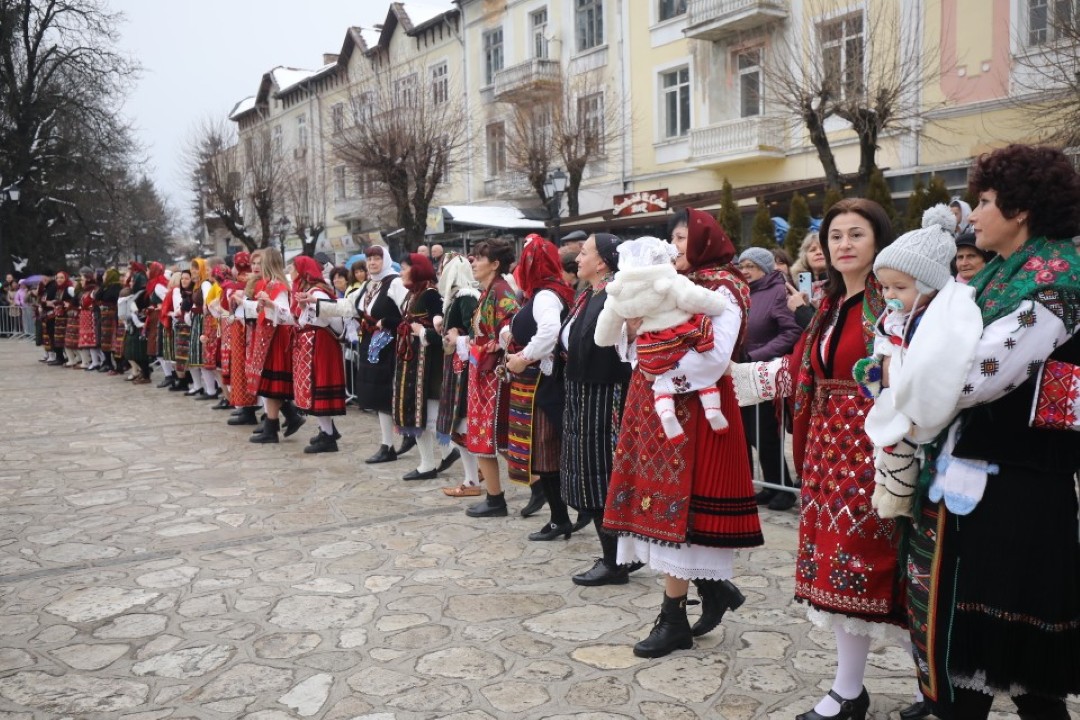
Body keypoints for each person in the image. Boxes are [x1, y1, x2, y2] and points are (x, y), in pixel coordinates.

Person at [907, 144, 1080, 720]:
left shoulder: (1053, 281)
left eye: (982, 200)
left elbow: (977, 375)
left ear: (1022, 208)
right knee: (983, 653)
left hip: (1020, 488)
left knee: (1018, 660)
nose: (972, 214)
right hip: (986, 478)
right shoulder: (1005, 272)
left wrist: (902, 379)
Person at [731, 199, 905, 720]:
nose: (844, 245)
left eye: (856, 234)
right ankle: (850, 688)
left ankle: (923, 686)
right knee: (839, 566)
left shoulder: (892, 303)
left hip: (877, 449)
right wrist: (733, 378)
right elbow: (806, 368)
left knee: (885, 564)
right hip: (829, 453)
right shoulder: (829, 305)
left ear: (878, 242)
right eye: (835, 236)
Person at [604, 208, 761, 659]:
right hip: (655, 406)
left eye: (681, 239)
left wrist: (660, 375)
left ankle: (674, 617)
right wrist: (636, 334)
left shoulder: (726, 288)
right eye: (671, 239)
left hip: (697, 412)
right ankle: (711, 591)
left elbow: (714, 358)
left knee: (684, 515)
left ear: (704, 241)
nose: (674, 249)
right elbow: (627, 350)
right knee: (662, 511)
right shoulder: (660, 282)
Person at [561, 233, 636, 585]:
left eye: (585, 252)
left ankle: (615, 560)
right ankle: (617, 555)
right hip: (582, 390)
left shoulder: (615, 294)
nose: (578, 257)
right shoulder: (586, 294)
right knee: (588, 476)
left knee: (600, 476)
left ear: (603, 261)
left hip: (604, 394)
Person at [502, 234, 576, 540]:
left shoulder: (546, 295)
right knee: (548, 454)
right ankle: (565, 516)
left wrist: (523, 356)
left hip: (541, 383)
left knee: (545, 455)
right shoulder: (551, 291)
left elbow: (549, 331)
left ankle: (562, 518)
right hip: (543, 381)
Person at [315, 245, 407, 462]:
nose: (372, 263)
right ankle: (388, 444)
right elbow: (349, 306)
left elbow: (408, 311)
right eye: (369, 259)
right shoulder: (369, 285)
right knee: (379, 396)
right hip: (373, 345)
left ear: (385, 260)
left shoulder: (394, 282)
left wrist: (392, 325)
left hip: (391, 346)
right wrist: (316, 304)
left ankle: (405, 439)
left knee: (392, 394)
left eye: (377, 258)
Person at [735, 247, 802, 511]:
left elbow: (791, 331)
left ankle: (783, 488)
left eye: (751, 265)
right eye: (742, 265)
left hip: (763, 371)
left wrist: (756, 354)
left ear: (765, 267)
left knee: (765, 432)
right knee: (751, 433)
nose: (746, 271)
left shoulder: (778, 291)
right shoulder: (743, 292)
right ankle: (769, 485)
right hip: (743, 370)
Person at [462, 238, 519, 518]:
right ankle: (495, 497)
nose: (473, 261)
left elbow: (512, 329)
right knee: (486, 437)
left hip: (493, 375)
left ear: (495, 264)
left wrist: (494, 343)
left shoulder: (502, 293)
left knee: (496, 437)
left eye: (480, 258)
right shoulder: (489, 291)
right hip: (482, 373)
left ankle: (535, 487)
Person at [391, 253, 448, 479]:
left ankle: (441, 456)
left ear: (416, 269)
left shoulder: (431, 295)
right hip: (412, 362)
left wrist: (420, 331)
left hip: (427, 364)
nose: (401, 272)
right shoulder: (413, 294)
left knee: (427, 414)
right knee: (417, 413)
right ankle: (431, 461)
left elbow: (441, 330)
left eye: (404, 268)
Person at [248, 248, 305, 444]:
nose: (256, 266)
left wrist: (269, 304)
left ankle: (273, 427)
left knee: (272, 385)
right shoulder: (269, 284)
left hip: (276, 338)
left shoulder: (278, 285)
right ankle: (284, 419)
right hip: (268, 336)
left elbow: (287, 315)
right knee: (269, 385)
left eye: (260, 262)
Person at [436, 253, 482, 497]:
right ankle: (472, 477)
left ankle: (473, 479)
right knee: (460, 424)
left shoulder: (465, 298)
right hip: (456, 365)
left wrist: (457, 339)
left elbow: (478, 335)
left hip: (463, 368)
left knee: (463, 423)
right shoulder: (456, 297)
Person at [292, 255, 347, 453]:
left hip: (320, 343)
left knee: (319, 386)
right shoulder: (311, 291)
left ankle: (329, 437)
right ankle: (327, 431)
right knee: (314, 387)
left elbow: (331, 320)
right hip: (312, 343)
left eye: (294, 269)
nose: (291, 272)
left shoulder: (318, 292)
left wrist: (311, 305)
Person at [788, 232, 829, 328]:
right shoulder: (793, 285)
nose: (818, 252)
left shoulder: (842, 283)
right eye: (812, 250)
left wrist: (801, 310)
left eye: (823, 248)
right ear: (805, 257)